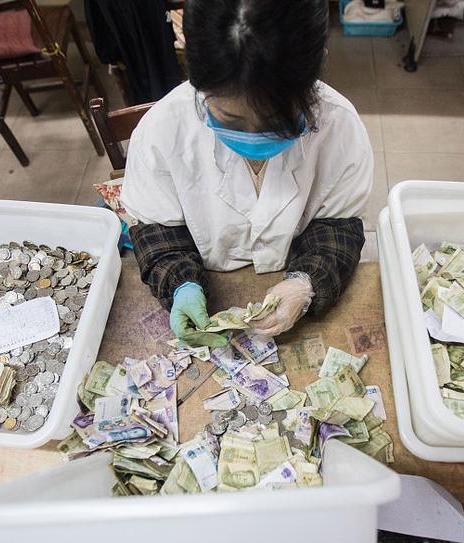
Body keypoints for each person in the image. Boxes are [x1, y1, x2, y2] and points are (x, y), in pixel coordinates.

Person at [120, 0, 373, 348]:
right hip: (212, 275)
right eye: (230, 121)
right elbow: (158, 232)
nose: (253, 137)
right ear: (194, 76)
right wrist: (180, 283)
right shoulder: (161, 132)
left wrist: (307, 282)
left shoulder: (340, 126)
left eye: (275, 124)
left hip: (293, 266)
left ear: (315, 67)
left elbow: (339, 225)